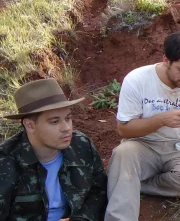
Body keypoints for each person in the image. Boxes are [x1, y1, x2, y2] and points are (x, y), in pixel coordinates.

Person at [104, 32, 180, 220]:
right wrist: (161, 120)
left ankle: (134, 183)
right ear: (166, 60)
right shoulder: (137, 80)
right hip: (143, 145)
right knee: (123, 153)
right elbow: (123, 129)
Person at [0, 78, 107, 220]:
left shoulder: (81, 145)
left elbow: (99, 191)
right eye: (54, 122)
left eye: (68, 118)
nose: (66, 128)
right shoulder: (5, 161)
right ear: (30, 125)